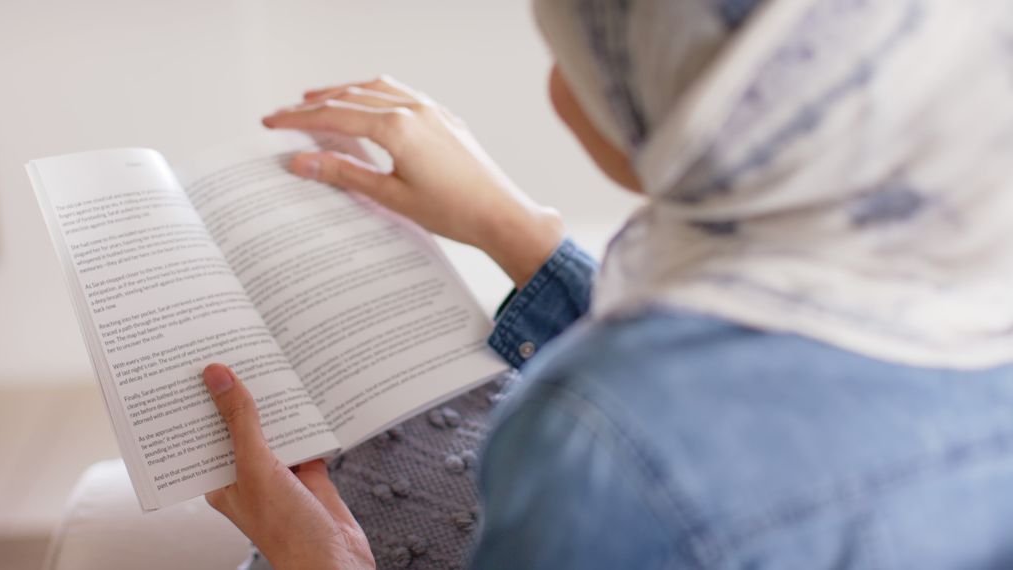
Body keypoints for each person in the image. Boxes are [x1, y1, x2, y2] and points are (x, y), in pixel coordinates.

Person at [198, 0, 1013, 567]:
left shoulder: (598, 438)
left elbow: (685, 437)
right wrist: (514, 230)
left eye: (578, 46)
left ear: (704, 105)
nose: (559, 83)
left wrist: (317, 562)